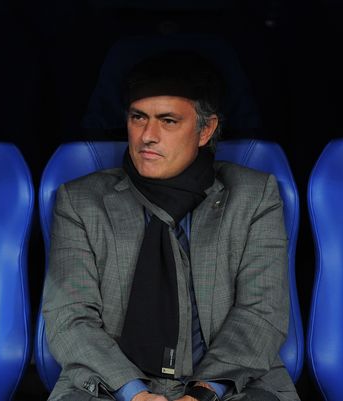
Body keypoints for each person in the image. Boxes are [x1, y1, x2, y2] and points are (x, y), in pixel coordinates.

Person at [43, 52, 299, 401]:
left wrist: (203, 393)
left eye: (168, 121)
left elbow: (261, 312)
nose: (148, 136)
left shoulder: (253, 196)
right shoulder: (81, 202)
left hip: (230, 386)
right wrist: (135, 394)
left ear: (205, 130)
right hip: (110, 387)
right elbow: (70, 318)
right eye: (138, 118)